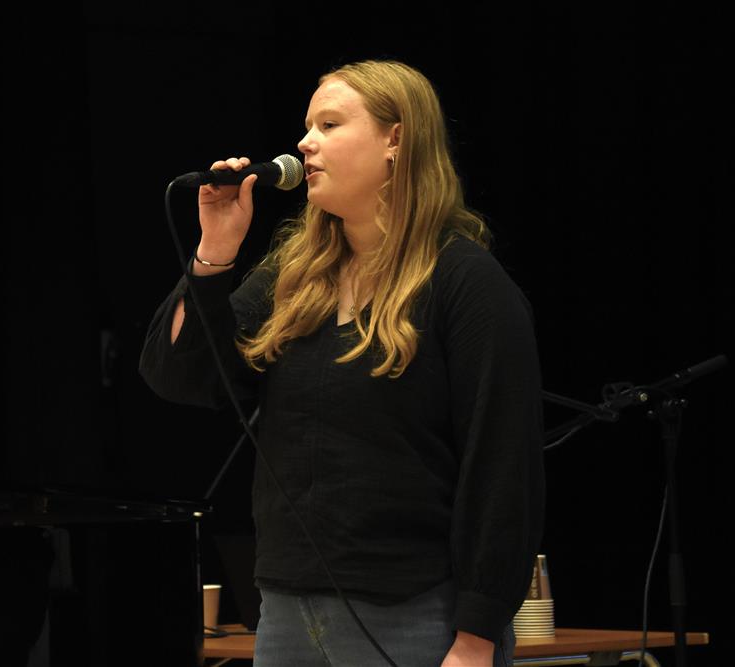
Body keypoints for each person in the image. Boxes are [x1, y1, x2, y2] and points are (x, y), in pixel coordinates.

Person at [139, 60, 544, 667]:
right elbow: (179, 376)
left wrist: (477, 636)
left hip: (415, 613)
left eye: (329, 124)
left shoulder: (464, 282)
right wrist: (216, 250)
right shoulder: (295, 278)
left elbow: (502, 466)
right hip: (285, 608)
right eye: (307, 126)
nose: (305, 143)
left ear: (395, 140)